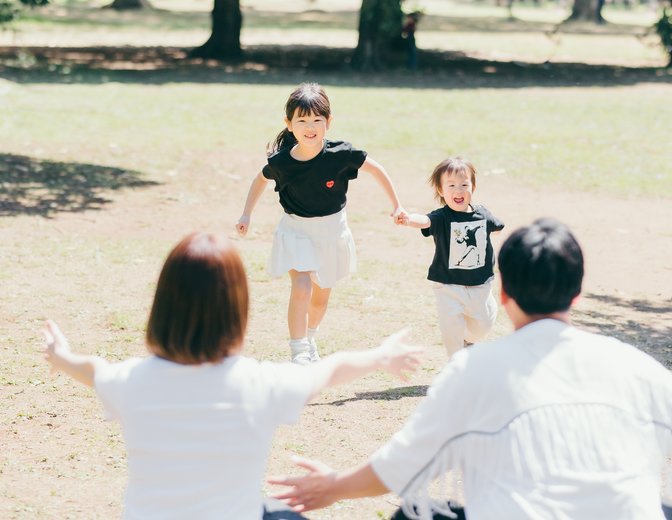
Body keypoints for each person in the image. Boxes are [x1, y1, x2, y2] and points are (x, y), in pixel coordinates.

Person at [268, 218, 672, 520]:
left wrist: (332, 487)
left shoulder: (475, 368)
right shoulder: (629, 363)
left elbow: (403, 463)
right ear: (576, 293)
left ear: (503, 293)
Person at [41, 232, 422, 520]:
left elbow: (91, 369)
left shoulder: (130, 381)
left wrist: (60, 356)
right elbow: (331, 368)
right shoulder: (260, 383)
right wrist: (380, 356)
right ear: (237, 310)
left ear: (163, 306)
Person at [236, 82, 407, 365]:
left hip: (332, 231)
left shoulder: (341, 154)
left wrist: (396, 205)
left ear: (329, 121)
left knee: (320, 297)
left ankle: (311, 336)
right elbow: (260, 179)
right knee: (301, 286)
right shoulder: (282, 162)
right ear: (289, 124)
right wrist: (246, 214)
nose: (310, 126)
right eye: (301, 120)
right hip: (295, 230)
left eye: (317, 119)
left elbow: (376, 169)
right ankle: (298, 350)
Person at [398, 156, 504, 357]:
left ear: (473, 187)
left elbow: (497, 226)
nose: (459, 190)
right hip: (447, 284)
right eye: (452, 185)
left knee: (483, 325)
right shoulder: (442, 217)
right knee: (450, 326)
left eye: (464, 184)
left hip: (479, 282)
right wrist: (408, 219)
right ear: (441, 190)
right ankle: (456, 364)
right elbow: (425, 221)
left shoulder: (482, 214)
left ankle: (469, 340)